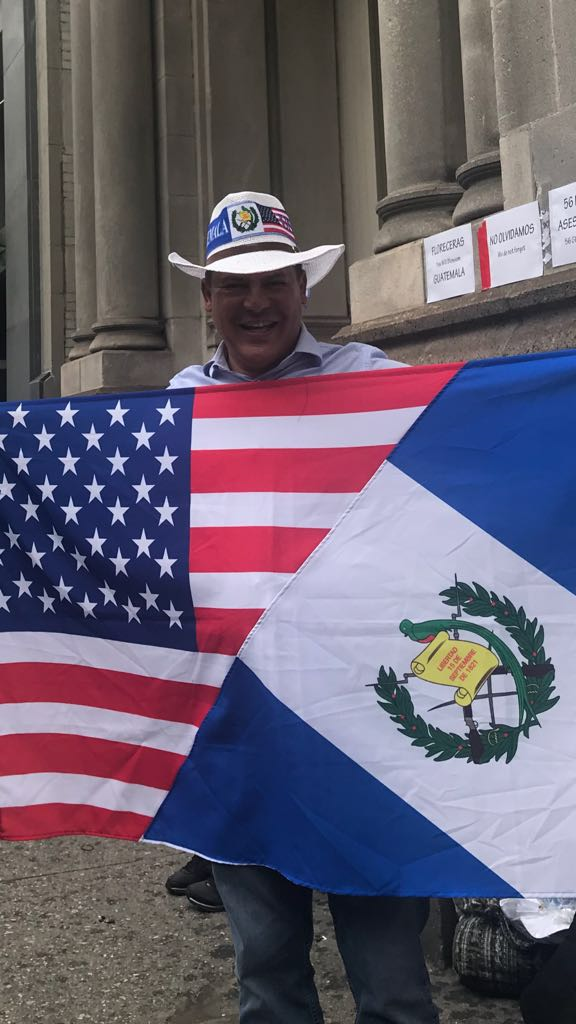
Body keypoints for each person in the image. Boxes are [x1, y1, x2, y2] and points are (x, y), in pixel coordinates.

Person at [167, 190, 439, 1024]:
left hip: (368, 727)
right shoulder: (171, 408)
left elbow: (462, 475)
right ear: (207, 298)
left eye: (275, 279)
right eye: (236, 285)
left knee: (393, 982)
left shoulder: (380, 386)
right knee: (269, 978)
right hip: (241, 734)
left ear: (303, 289)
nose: (257, 301)